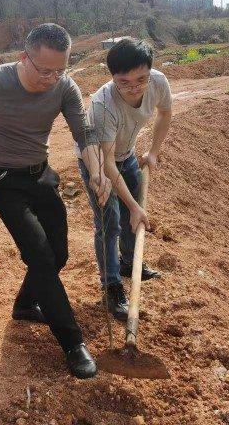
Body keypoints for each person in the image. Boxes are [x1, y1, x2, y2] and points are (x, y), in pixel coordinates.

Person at [0, 23, 110, 379]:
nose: (52, 78)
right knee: (40, 255)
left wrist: (97, 171)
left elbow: (83, 131)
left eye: (60, 70)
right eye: (44, 70)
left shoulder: (63, 86)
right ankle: (72, 342)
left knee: (59, 254)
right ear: (24, 57)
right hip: (3, 179)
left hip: (41, 174)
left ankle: (24, 304)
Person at [77, 38, 172, 321]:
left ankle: (131, 263)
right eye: (124, 82)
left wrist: (153, 152)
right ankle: (111, 284)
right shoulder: (103, 105)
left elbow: (165, 114)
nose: (134, 87)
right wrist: (133, 205)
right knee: (109, 222)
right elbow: (105, 163)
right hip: (97, 161)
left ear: (150, 72)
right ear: (112, 78)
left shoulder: (158, 83)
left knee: (132, 219)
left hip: (127, 153)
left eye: (141, 79)